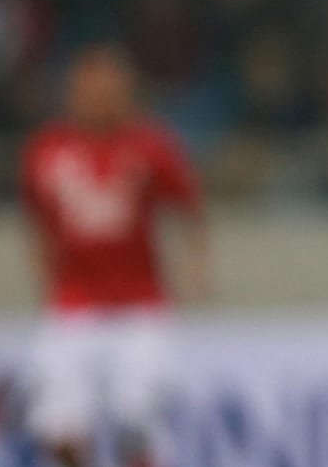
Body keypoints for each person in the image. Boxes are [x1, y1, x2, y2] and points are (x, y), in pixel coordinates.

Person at [20, 43, 211, 467]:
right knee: (59, 430)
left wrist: (197, 266)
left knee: (136, 422)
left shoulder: (150, 146)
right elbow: (36, 216)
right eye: (90, 89)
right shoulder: (46, 149)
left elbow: (190, 207)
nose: (99, 99)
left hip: (140, 306)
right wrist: (42, 265)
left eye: (110, 90)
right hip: (73, 304)